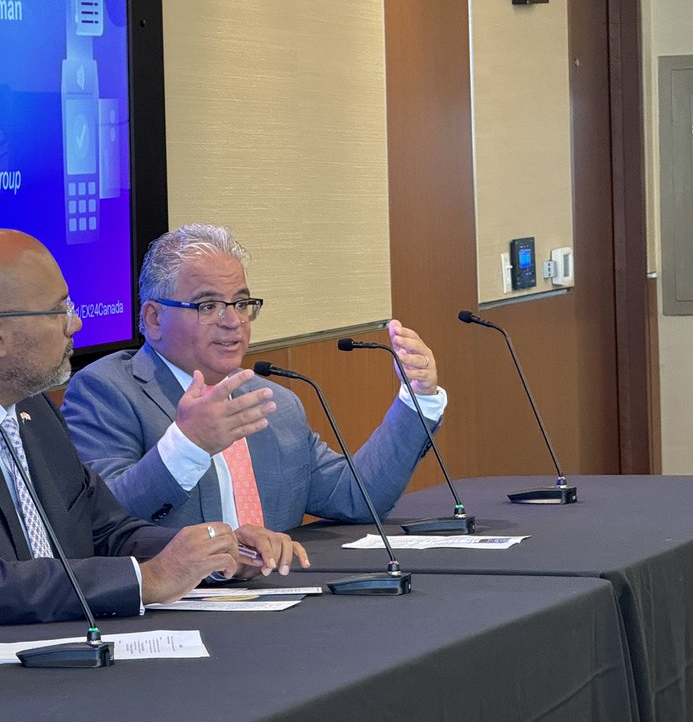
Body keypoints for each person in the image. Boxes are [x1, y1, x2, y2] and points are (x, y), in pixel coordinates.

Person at [0, 228, 307, 628]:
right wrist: (145, 580)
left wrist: (211, 552)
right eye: (58, 310)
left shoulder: (32, 407)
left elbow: (105, 531)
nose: (76, 323)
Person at [62, 223, 447, 531]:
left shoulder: (273, 403)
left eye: (242, 303)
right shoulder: (107, 391)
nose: (233, 322)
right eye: (208, 305)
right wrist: (189, 444)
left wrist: (418, 399)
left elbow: (356, 497)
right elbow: (105, 520)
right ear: (154, 318)